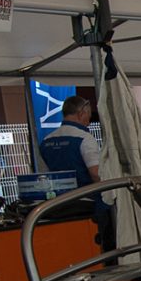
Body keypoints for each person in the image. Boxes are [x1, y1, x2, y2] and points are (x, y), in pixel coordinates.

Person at [40, 95, 111, 250]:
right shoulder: (84, 138)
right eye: (89, 116)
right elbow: (95, 173)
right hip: (88, 203)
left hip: (59, 204)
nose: (89, 120)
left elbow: (44, 175)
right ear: (81, 113)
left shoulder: (47, 140)